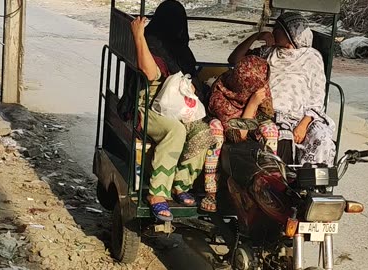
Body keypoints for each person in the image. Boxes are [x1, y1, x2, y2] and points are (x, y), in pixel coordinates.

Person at [129, 0, 215, 221]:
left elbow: (192, 76)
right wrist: (139, 36)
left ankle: (181, 184)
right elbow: (149, 74)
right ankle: (157, 194)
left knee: (203, 132)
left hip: (177, 106)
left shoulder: (181, 50)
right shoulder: (151, 42)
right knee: (176, 131)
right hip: (148, 106)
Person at [228, 12, 336, 166]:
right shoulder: (268, 52)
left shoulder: (312, 57)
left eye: (278, 29)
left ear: (290, 33)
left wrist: (304, 124)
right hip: (275, 114)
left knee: (322, 138)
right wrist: (256, 36)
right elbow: (234, 60)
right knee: (282, 137)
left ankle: (313, 185)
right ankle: (282, 184)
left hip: (305, 116)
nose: (273, 32)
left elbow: (317, 96)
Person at [201, 55, 278, 212]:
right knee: (215, 131)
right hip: (227, 129)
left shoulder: (258, 82)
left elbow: (267, 113)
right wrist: (253, 103)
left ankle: (268, 185)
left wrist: (256, 108)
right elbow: (237, 136)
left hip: (250, 121)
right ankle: (211, 192)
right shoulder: (220, 94)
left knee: (270, 130)